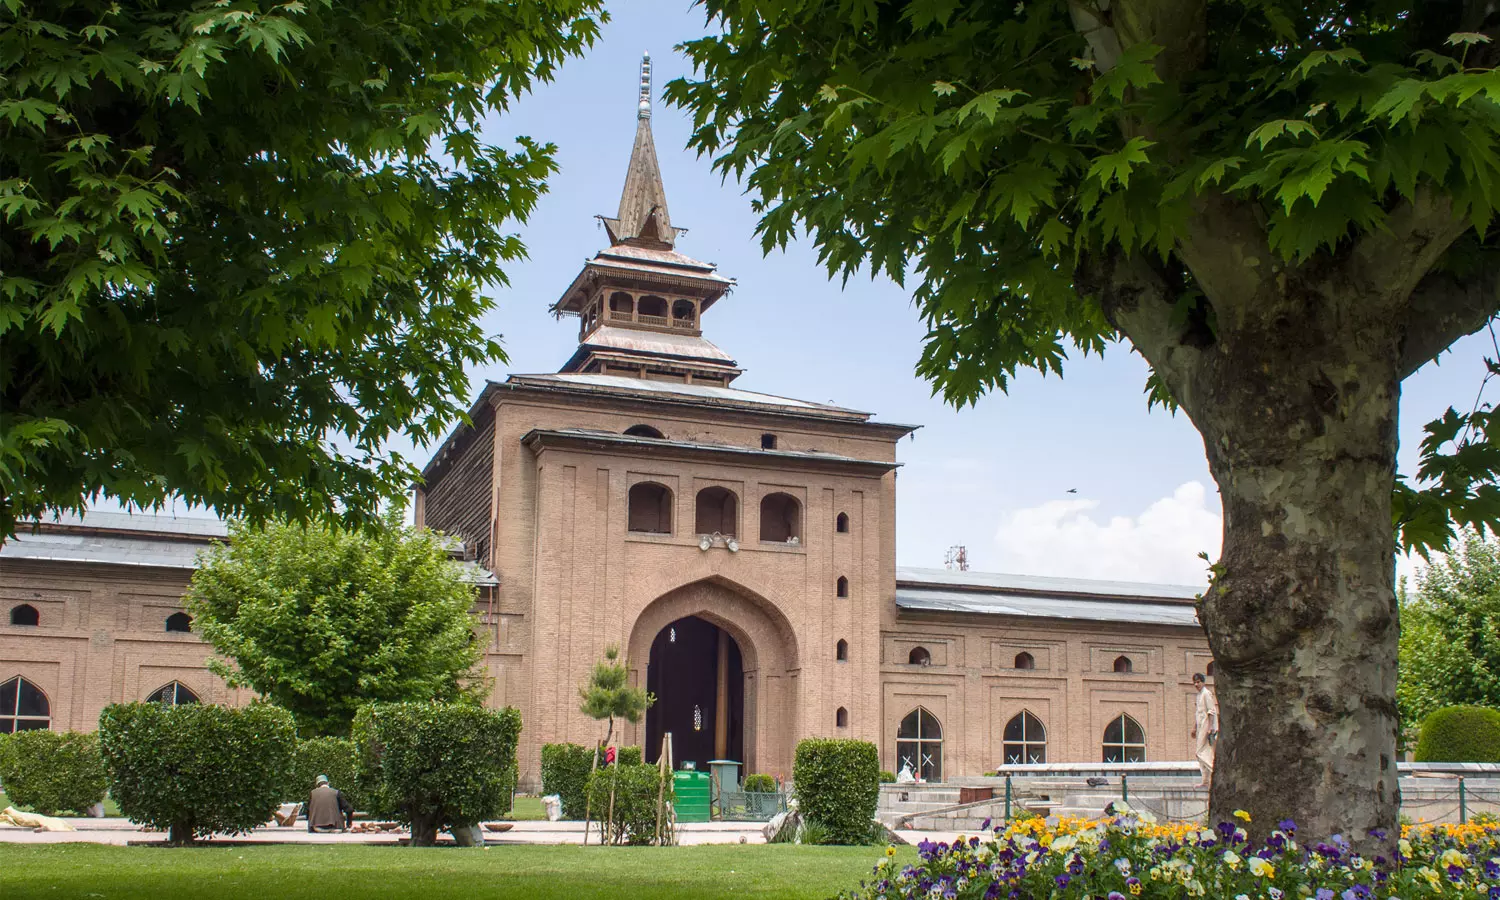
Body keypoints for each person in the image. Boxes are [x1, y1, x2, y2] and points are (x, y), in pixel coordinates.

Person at [1190, 672, 1219, 788]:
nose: (1196, 684)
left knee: (1200, 752)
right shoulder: (1199, 695)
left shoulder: (1207, 694)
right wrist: (1194, 728)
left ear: (1203, 682)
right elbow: (1199, 714)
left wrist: (1211, 727)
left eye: (1198, 682)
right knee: (1200, 752)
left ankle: (1214, 772)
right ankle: (1205, 780)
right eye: (1195, 682)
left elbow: (1211, 711)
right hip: (1201, 726)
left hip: (1207, 726)